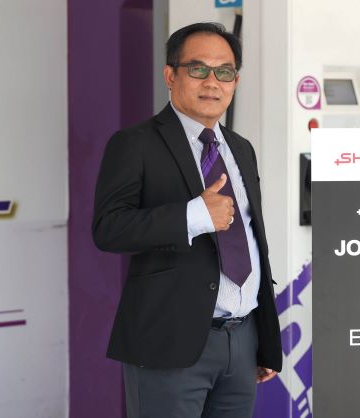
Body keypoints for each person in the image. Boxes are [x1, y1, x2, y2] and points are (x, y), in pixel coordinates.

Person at [92, 22, 282, 418]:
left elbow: (253, 242)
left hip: (242, 340)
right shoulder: (135, 143)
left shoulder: (241, 149)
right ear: (170, 75)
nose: (212, 82)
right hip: (168, 342)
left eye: (224, 71)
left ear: (235, 81)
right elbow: (109, 228)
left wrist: (264, 339)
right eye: (198, 69)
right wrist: (193, 215)